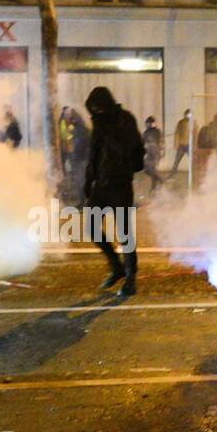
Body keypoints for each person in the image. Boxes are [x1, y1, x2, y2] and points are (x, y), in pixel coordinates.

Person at [84, 86, 145, 297]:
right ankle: (116, 266)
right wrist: (88, 181)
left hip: (120, 184)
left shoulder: (125, 119)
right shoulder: (99, 123)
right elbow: (94, 154)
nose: (95, 113)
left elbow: (132, 148)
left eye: (97, 108)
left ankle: (130, 277)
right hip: (101, 184)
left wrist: (108, 132)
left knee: (124, 232)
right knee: (90, 227)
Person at [142, 116, 163, 193]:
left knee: (152, 169)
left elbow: (160, 141)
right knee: (147, 169)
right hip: (149, 152)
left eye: (148, 123)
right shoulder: (146, 132)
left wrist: (161, 150)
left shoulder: (157, 131)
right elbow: (142, 142)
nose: (147, 125)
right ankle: (160, 181)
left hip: (155, 151)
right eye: (147, 123)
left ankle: (155, 186)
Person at [171, 109, 194, 174]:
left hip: (189, 145)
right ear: (184, 114)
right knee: (177, 160)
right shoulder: (181, 122)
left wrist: (195, 144)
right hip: (181, 145)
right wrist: (176, 144)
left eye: (189, 114)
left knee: (193, 159)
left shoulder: (193, 122)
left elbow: (195, 133)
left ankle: (194, 172)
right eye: (187, 114)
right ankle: (173, 173)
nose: (188, 115)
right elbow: (177, 133)